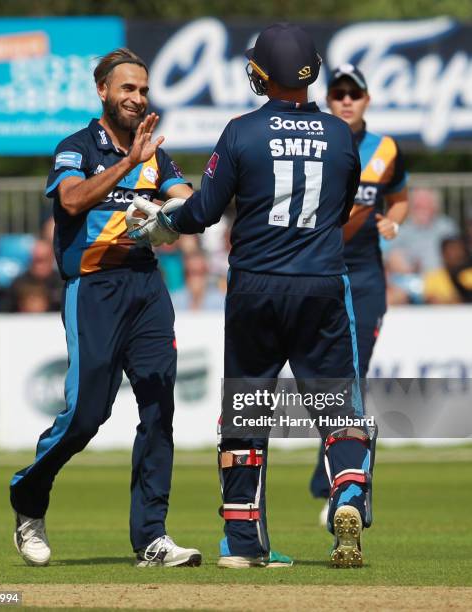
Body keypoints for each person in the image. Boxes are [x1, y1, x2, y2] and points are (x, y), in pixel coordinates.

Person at [130, 23, 376, 568]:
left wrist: (163, 220)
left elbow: (203, 212)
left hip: (254, 287)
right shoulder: (341, 136)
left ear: (262, 74)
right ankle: (350, 497)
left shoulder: (241, 131)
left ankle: (243, 544)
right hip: (320, 285)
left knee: (246, 412)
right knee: (339, 409)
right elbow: (339, 213)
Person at [9, 48, 201, 568]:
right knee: (86, 416)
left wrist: (173, 213)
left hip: (146, 288)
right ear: (103, 91)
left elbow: (185, 201)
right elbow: (71, 201)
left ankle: (152, 538)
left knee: (160, 410)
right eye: (127, 89)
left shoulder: (155, 153)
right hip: (93, 288)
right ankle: (28, 497)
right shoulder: (76, 147)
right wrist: (128, 165)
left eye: (143, 89)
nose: (137, 98)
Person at [309, 64, 409, 521]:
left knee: (355, 375)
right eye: (339, 93)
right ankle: (338, 458)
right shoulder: (315, 139)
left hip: (365, 274)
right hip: (315, 271)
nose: (346, 100)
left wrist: (395, 220)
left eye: (355, 93)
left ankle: (348, 483)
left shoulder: (385, 149)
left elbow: (400, 197)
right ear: (328, 99)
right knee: (320, 378)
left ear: (367, 100)